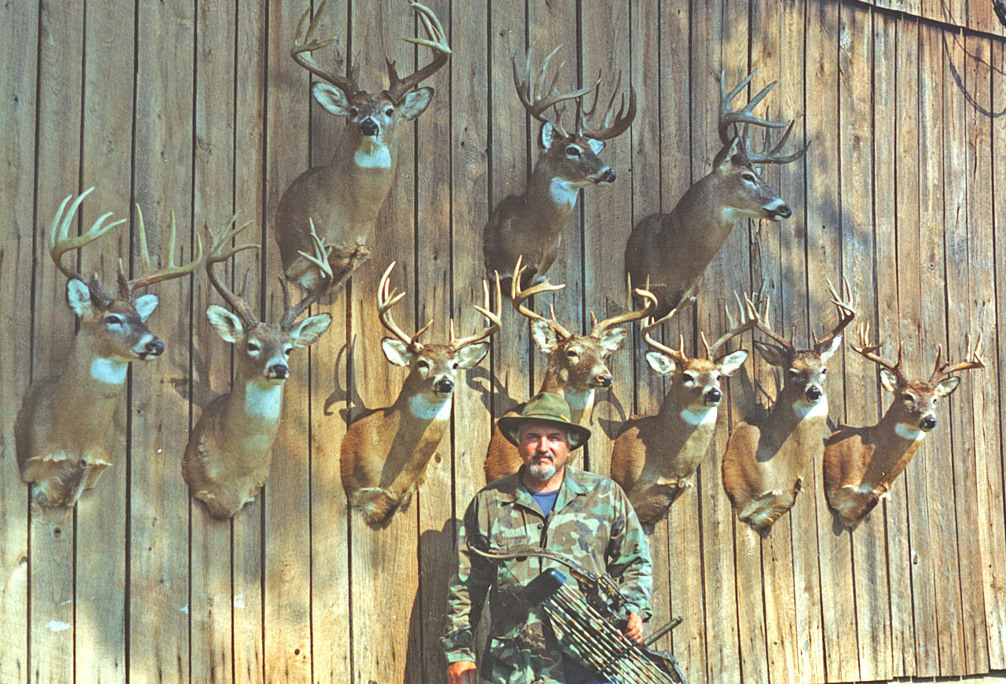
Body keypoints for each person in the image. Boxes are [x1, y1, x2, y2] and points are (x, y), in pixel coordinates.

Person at [443, 393, 653, 684]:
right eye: (533, 437)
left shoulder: (605, 495)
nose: (543, 447)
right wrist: (459, 651)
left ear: (570, 445)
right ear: (519, 444)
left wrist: (633, 610)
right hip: (517, 665)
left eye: (554, 437)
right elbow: (467, 586)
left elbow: (635, 562)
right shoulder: (490, 503)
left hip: (593, 659)